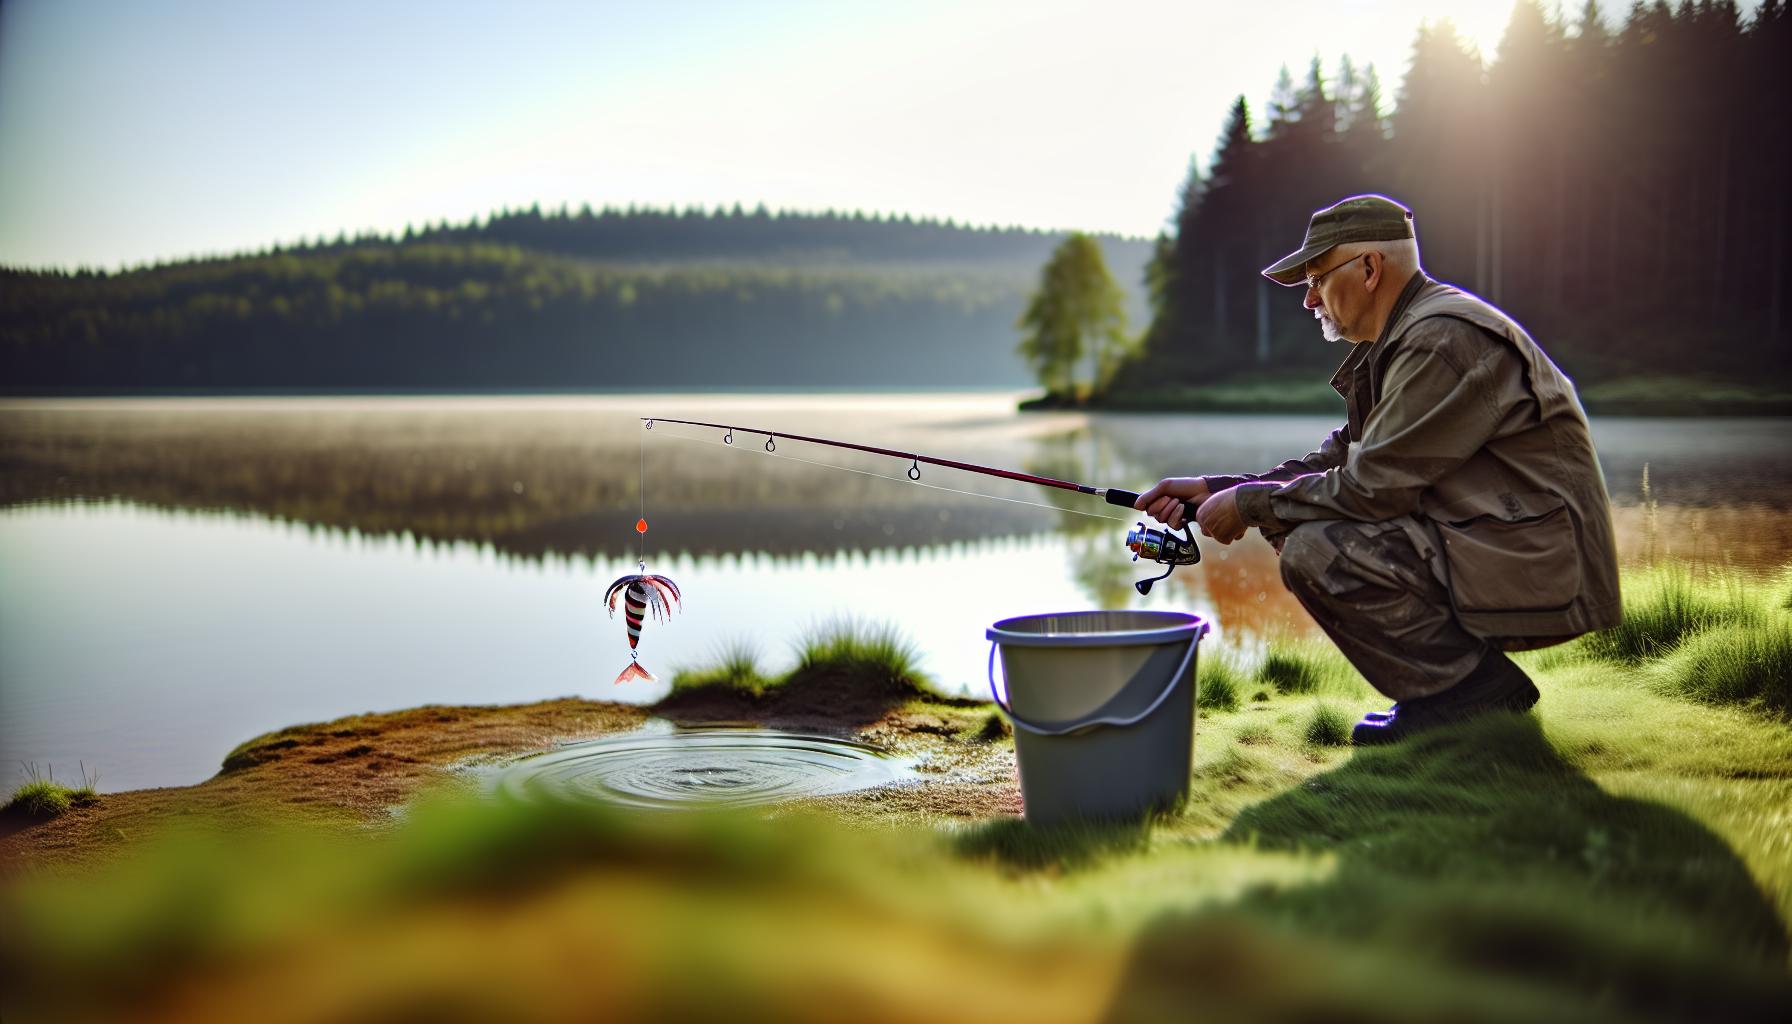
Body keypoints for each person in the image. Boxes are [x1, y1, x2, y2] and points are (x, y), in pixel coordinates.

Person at [1136, 194, 1620, 745]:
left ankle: (1467, 695)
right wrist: (1219, 489)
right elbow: (1342, 458)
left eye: (1317, 278)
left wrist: (1249, 507)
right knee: (1305, 522)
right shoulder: (1408, 336)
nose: (1309, 298)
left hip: (1541, 562)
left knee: (1315, 548)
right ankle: (1467, 691)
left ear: (1369, 268)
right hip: (1509, 543)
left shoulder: (1438, 340)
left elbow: (1370, 488)